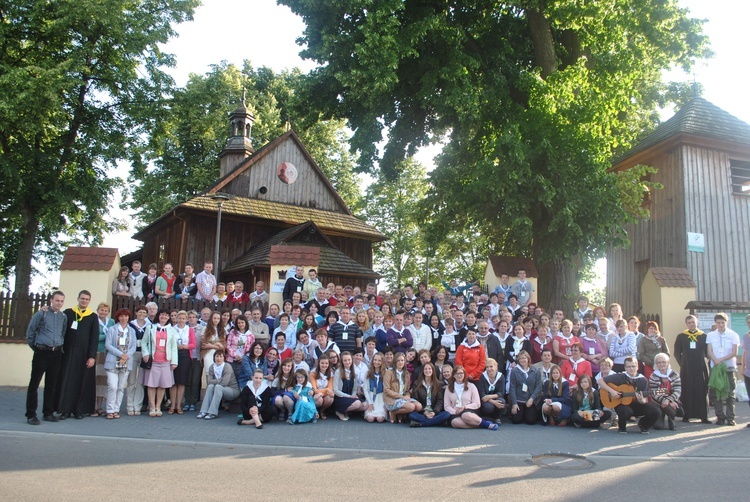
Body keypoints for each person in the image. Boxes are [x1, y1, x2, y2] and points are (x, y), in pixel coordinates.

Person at [25, 291, 68, 425]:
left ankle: (48, 412)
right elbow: (30, 333)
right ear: (51, 300)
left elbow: (63, 333)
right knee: (34, 384)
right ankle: (31, 414)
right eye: (57, 300)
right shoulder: (41, 314)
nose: (59, 303)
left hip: (56, 353)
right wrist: (37, 348)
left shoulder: (63, 317)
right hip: (42, 352)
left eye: (61, 301)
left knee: (52, 384)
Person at [56, 290, 99, 420]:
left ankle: (79, 410)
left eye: (87, 299)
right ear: (78, 299)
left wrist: (92, 356)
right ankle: (65, 410)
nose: (84, 301)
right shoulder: (68, 313)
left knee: (82, 382)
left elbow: (94, 338)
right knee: (67, 381)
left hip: (84, 355)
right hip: (68, 354)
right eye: (82, 298)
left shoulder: (92, 316)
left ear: (89, 301)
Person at [598, 356, 660, 434]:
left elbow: (645, 401)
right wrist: (612, 391)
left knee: (656, 411)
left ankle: (643, 425)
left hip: (637, 404)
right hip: (621, 404)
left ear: (637, 367)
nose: (631, 369)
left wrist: (641, 400)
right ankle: (622, 427)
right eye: (628, 366)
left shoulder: (643, 380)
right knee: (626, 411)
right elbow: (600, 381)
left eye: (633, 366)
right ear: (625, 368)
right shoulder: (621, 376)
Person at [141, 309, 178, 417]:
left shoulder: (171, 329)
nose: (164, 316)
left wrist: (174, 362)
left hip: (166, 360)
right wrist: (145, 354)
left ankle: (158, 407)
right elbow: (144, 342)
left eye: (166, 315)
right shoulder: (151, 327)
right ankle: (152, 408)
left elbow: (173, 346)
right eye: (162, 314)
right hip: (153, 360)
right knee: (152, 385)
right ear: (158, 315)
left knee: (162, 385)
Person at [673, 315, 710, 423]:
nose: (691, 324)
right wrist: (683, 363)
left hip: (700, 367)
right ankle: (686, 415)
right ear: (686, 324)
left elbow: (708, 352)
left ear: (697, 322)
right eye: (689, 322)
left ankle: (703, 416)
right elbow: (676, 353)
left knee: (701, 390)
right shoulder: (681, 336)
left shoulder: (703, 336)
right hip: (687, 368)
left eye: (693, 322)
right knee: (687, 390)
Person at [706, 313, 740, 426]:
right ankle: (720, 417)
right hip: (715, 368)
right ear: (715, 323)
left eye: (723, 322)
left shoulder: (733, 335)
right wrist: (715, 360)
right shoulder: (710, 335)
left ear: (727, 322)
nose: (720, 325)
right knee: (716, 393)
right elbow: (709, 350)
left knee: (730, 393)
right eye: (718, 322)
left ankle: (730, 418)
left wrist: (721, 359)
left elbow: (734, 352)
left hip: (729, 367)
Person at [104, 309, 137, 419]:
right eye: (121, 316)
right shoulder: (112, 329)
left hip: (126, 361)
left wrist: (126, 356)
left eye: (126, 316)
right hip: (113, 361)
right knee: (112, 386)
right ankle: (109, 409)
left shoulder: (131, 331)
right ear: (118, 318)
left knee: (121, 387)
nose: (124, 318)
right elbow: (108, 345)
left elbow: (133, 346)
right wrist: (120, 354)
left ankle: (116, 409)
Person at [444, 365, 498, 430]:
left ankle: (488, 425)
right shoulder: (449, 388)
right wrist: (455, 411)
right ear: (453, 375)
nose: (459, 375)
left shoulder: (471, 386)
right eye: (457, 373)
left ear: (464, 374)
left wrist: (465, 407)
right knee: (455, 423)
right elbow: (446, 406)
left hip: (469, 410)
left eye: (461, 373)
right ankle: (481, 424)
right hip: (455, 411)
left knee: (465, 416)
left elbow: (477, 403)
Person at [196, 351, 240, 420]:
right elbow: (209, 382)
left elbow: (224, 383)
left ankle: (212, 413)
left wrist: (216, 381)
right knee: (210, 386)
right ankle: (203, 411)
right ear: (214, 358)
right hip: (218, 388)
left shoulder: (227, 366)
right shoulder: (212, 367)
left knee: (218, 387)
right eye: (217, 356)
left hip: (232, 390)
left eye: (221, 356)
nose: (218, 358)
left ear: (224, 358)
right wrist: (220, 380)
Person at [168, 311, 195, 415]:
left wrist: (184, 346)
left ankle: (179, 406)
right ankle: (172, 405)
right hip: (174, 354)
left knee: (182, 381)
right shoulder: (171, 329)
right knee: (173, 381)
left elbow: (193, 344)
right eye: (179, 318)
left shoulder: (189, 330)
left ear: (186, 319)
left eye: (183, 318)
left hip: (184, 355)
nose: (181, 320)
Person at [407, 362, 450, 427]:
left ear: (433, 370)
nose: (427, 371)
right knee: (411, 415)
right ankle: (436, 422)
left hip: (434, 411)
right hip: (422, 412)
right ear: (423, 371)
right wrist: (424, 412)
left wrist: (434, 412)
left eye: (429, 369)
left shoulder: (439, 384)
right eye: (425, 369)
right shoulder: (417, 383)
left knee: (447, 414)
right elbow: (415, 400)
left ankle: (421, 424)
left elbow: (440, 400)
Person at [383, 352, 421, 423]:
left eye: (402, 360)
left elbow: (407, 390)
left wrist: (407, 395)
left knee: (419, 406)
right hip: (392, 399)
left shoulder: (407, 374)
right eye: (398, 360)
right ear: (395, 362)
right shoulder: (389, 372)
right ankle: (393, 413)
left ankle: (399, 413)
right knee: (411, 407)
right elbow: (386, 390)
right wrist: (401, 397)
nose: (400, 362)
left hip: (403, 398)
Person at [649, 352, 682, 430]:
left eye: (664, 362)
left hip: (671, 401)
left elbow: (678, 391)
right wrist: (664, 400)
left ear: (668, 363)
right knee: (658, 427)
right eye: (659, 362)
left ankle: (672, 419)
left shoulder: (675, 374)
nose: (662, 364)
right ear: (656, 364)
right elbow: (654, 393)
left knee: (670, 407)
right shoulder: (653, 376)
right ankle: (659, 417)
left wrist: (669, 400)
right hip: (657, 401)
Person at [508, 350, 541, 425]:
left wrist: (532, 399)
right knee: (516, 420)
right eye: (520, 358)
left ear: (528, 359)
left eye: (524, 358)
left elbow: (538, 386)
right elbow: (512, 388)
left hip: (530, 400)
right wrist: (514, 404)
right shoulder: (514, 371)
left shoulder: (535, 370)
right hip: (519, 400)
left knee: (531, 421)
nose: (522, 360)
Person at [93, 303, 114, 416]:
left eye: (106, 310)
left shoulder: (111, 322)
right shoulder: (94, 321)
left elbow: (114, 336)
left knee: (102, 381)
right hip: (96, 352)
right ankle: (91, 407)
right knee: (93, 380)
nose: (103, 312)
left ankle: (99, 407)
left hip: (107, 354)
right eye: (101, 310)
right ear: (98, 310)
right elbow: (94, 336)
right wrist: (107, 337)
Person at [333, 351, 367, 420]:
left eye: (349, 360)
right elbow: (336, 390)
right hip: (340, 398)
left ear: (352, 360)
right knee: (357, 403)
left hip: (350, 398)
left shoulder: (354, 373)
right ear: (342, 362)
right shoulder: (338, 372)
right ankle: (339, 411)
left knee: (365, 405)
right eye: (345, 360)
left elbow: (354, 389)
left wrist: (353, 395)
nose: (347, 362)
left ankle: (347, 410)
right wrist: (350, 397)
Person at [476, 358, 506, 425]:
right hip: (485, 401)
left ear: (496, 367)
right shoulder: (482, 377)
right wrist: (493, 402)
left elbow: (501, 392)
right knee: (489, 407)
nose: (489, 369)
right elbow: (482, 395)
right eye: (487, 367)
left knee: (502, 401)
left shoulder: (501, 377)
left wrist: (490, 396)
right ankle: (487, 418)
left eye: (491, 366)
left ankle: (496, 417)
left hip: (493, 397)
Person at [364, 352, 387, 423]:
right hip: (371, 397)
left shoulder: (386, 373)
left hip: (381, 398)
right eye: (375, 360)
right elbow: (366, 389)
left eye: (379, 360)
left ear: (382, 362)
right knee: (370, 419)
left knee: (380, 419)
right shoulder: (368, 372)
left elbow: (387, 390)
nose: (376, 362)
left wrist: (385, 404)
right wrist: (370, 403)